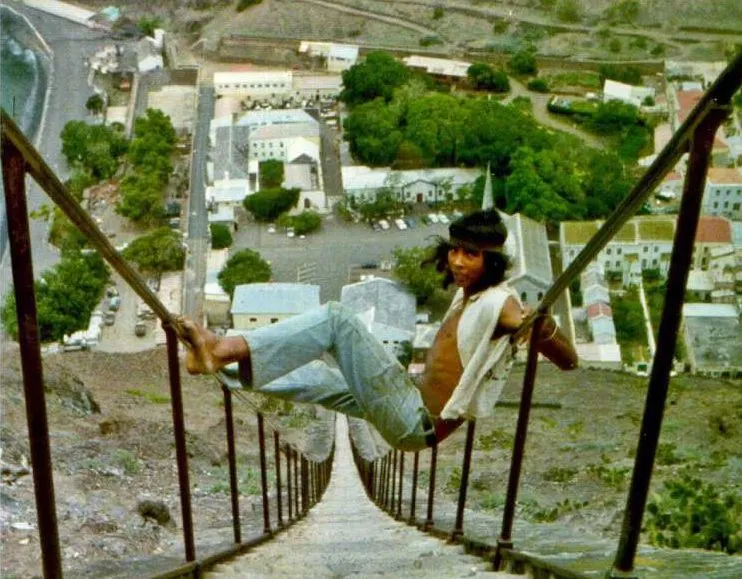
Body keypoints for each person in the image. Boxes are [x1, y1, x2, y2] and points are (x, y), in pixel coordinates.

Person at [181, 210, 577, 451]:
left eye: (470, 255)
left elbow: (568, 360)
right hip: (409, 398)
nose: (457, 261)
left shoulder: (501, 302)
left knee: (337, 320)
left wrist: (542, 325)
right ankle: (221, 367)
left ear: (491, 262)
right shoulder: (469, 296)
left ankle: (223, 350)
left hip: (416, 421)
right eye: (454, 250)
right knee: (319, 374)